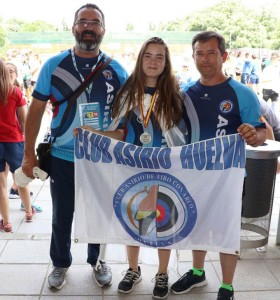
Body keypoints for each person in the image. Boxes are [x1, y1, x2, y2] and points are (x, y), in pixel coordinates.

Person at [21, 3, 128, 290]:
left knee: (99, 213)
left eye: (95, 22)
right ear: (74, 28)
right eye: (84, 22)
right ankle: (60, 263)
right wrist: (27, 153)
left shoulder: (116, 69)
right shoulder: (54, 65)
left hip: (101, 158)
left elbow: (129, 116)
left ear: (103, 30)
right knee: (61, 215)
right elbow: (35, 109)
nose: (89, 27)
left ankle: (98, 260)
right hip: (62, 156)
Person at [74, 36, 186, 299]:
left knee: (163, 220)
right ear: (140, 59)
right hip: (131, 166)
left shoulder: (173, 95)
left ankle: (162, 272)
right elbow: (121, 133)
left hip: (163, 167)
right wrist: (94, 133)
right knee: (134, 219)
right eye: (148, 55)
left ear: (166, 62)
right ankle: (133, 269)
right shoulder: (128, 92)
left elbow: (179, 138)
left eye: (159, 56)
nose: (153, 61)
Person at [170, 31, 266, 300]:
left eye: (211, 53)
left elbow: (262, 134)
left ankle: (227, 286)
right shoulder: (185, 93)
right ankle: (198, 273)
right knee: (195, 224)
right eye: (199, 53)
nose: (205, 59)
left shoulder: (242, 93)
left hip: (229, 176)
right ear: (193, 57)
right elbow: (174, 133)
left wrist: (253, 134)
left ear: (223, 56)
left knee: (226, 229)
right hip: (194, 175)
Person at [0, 60, 36, 233]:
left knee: (1, 185)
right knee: (20, 179)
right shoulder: (15, 92)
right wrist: (27, 142)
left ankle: (6, 223)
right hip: (14, 141)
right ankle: (29, 212)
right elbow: (24, 119)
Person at [5, 62, 42, 213]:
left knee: (21, 173)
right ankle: (24, 205)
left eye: (12, 71)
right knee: (18, 174)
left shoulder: (17, 91)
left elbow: (24, 118)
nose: (10, 74)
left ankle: (21, 198)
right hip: (11, 139)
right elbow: (25, 118)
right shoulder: (14, 92)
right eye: (7, 72)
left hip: (15, 138)